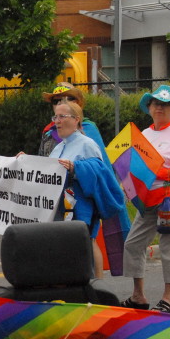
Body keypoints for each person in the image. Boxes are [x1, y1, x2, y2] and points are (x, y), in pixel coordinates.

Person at [121, 85, 170, 313]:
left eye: (165, 104)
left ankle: (168, 299)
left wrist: (158, 172)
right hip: (147, 199)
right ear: (149, 108)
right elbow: (135, 165)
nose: (159, 108)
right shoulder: (144, 135)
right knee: (133, 243)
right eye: (156, 104)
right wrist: (129, 184)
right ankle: (138, 296)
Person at [49, 101, 123, 278]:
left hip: (82, 207)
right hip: (62, 208)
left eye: (62, 117)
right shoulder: (59, 147)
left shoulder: (86, 144)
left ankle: (94, 287)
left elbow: (100, 173)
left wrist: (75, 168)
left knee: (87, 243)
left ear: (76, 120)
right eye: (55, 117)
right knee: (73, 247)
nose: (57, 121)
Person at [38, 82, 106, 156]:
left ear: (75, 102)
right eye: (55, 101)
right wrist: (28, 160)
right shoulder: (48, 132)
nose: (59, 103)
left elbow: (100, 165)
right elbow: (42, 162)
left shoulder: (89, 129)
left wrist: (74, 165)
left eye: (64, 100)